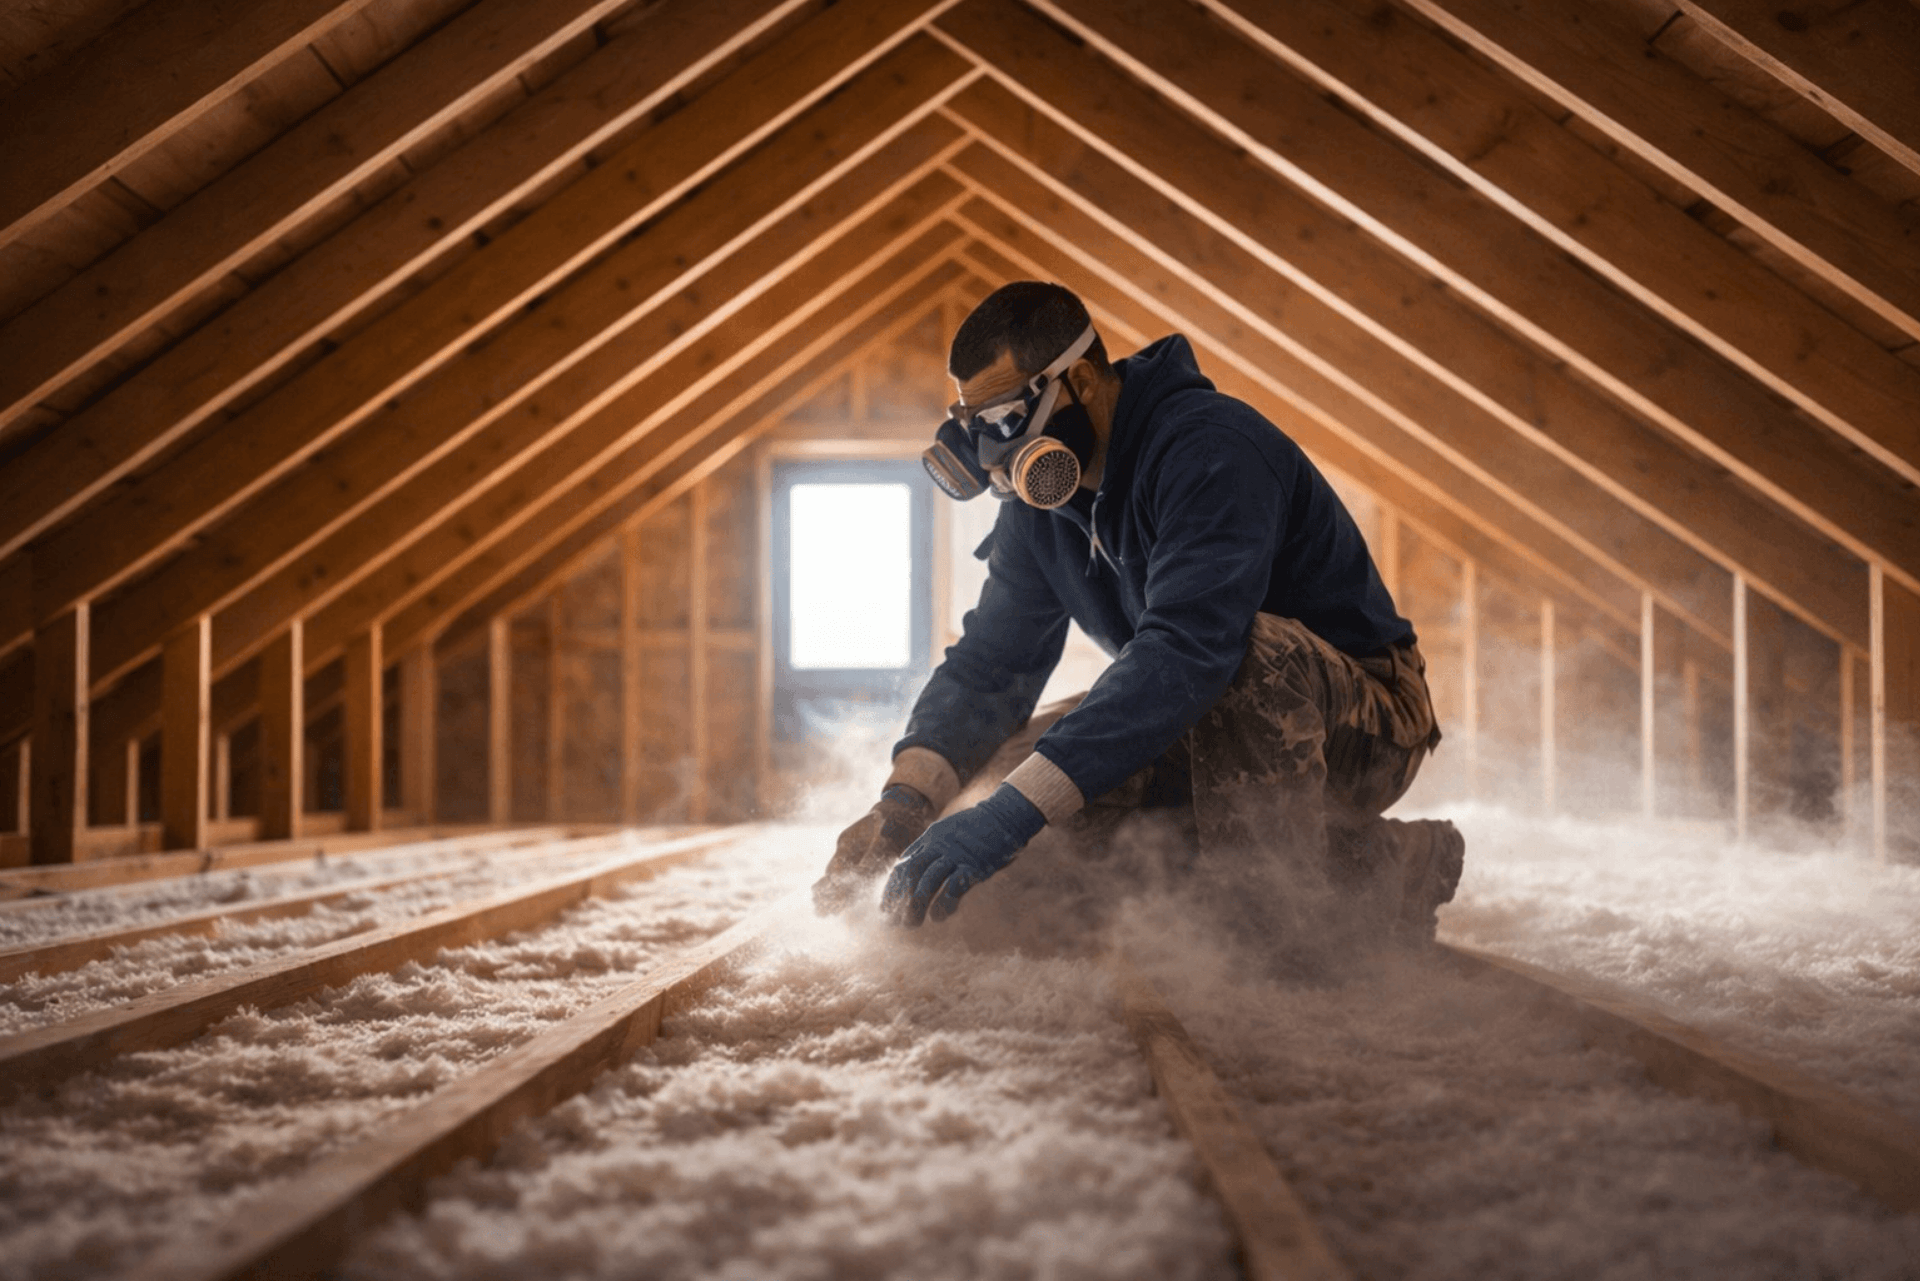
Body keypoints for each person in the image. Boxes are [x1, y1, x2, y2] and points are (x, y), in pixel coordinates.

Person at [812, 281, 1462, 956]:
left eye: (1008, 421)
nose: (993, 458)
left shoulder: (1212, 450)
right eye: (977, 428)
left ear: (1083, 380)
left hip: (1364, 719)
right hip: (1204, 707)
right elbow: (991, 667)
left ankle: (1313, 913)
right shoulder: (1038, 511)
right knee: (999, 778)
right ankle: (1360, 862)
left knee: (1239, 660)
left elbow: (1189, 652)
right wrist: (905, 804)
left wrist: (1012, 814)